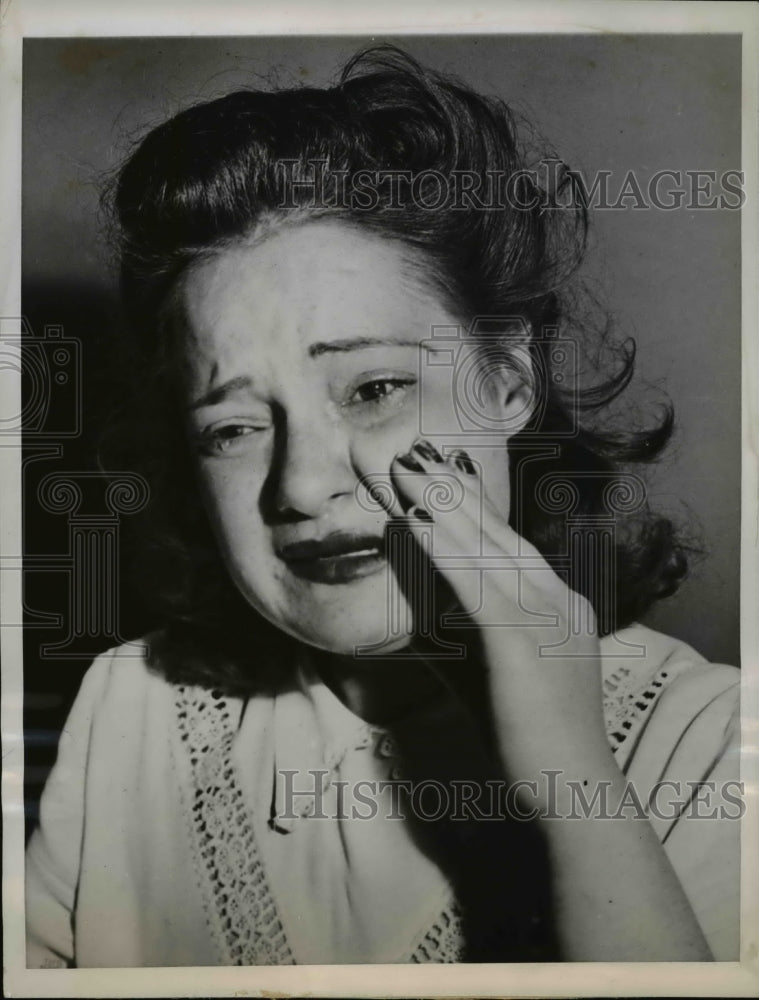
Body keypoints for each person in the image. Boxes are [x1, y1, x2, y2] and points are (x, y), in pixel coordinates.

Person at [25, 45, 740, 968]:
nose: (300, 486)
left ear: (507, 384)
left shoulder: (709, 739)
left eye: (372, 390)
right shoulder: (131, 706)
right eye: (232, 429)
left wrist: (571, 772)